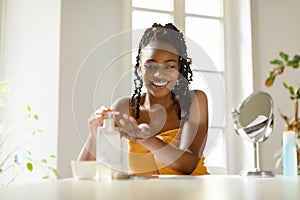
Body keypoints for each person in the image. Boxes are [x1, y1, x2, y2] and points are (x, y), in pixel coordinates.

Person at [78, 23, 209, 175]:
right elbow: (82, 174)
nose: (159, 75)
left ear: (179, 70)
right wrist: (94, 135)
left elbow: (188, 165)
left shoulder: (194, 101)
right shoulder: (125, 107)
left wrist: (145, 139)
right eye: (151, 66)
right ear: (140, 68)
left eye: (169, 67)